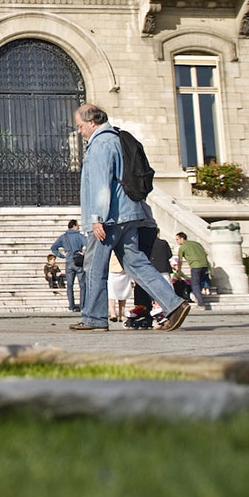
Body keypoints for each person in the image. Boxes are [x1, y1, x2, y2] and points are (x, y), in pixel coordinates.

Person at [70, 104, 191, 333]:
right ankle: (174, 304)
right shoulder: (117, 138)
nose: (79, 131)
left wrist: (97, 218)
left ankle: (94, 318)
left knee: (95, 266)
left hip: (109, 218)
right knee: (137, 264)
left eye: (80, 126)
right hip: (129, 214)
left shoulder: (100, 144)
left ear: (92, 122)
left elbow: (100, 185)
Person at [51, 218, 88, 312]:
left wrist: (62, 255)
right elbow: (89, 244)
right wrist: (84, 253)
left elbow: (53, 248)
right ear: (74, 226)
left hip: (68, 261)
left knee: (70, 285)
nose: (79, 227)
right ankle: (83, 306)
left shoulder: (63, 237)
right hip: (79, 261)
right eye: (77, 225)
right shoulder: (80, 236)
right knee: (82, 284)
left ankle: (71, 306)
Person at [174, 232, 213, 310]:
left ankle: (201, 304)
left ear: (182, 238)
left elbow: (180, 261)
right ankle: (201, 297)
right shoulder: (196, 244)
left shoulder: (182, 247)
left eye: (177, 239)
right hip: (204, 265)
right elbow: (205, 254)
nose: (177, 241)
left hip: (195, 266)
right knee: (200, 283)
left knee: (195, 285)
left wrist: (179, 274)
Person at [107, 250, 130, 322]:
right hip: (112, 271)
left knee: (123, 294)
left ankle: (121, 314)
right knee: (111, 294)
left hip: (124, 271)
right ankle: (113, 313)